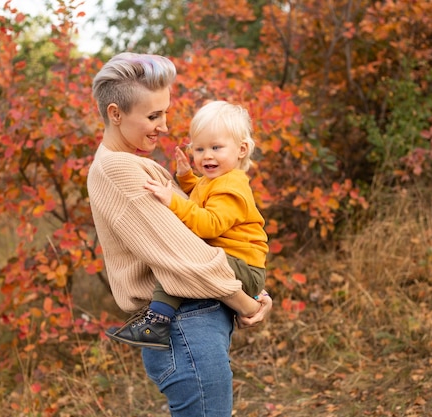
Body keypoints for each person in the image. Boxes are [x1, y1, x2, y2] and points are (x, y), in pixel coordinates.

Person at [87, 52, 272, 417]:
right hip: (187, 324)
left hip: (192, 319)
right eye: (154, 116)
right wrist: (249, 303)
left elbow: (208, 231)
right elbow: (188, 256)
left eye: (165, 113)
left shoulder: (136, 162)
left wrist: (252, 289)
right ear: (115, 114)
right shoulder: (120, 170)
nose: (166, 127)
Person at [108, 100, 268, 350]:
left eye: (216, 147)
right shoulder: (216, 180)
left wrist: (172, 200)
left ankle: (157, 323)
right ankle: (156, 321)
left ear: (242, 149)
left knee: (181, 264)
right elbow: (202, 197)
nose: (207, 156)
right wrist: (186, 177)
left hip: (245, 266)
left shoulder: (232, 187)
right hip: (232, 259)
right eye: (199, 149)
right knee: (182, 261)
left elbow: (209, 224)